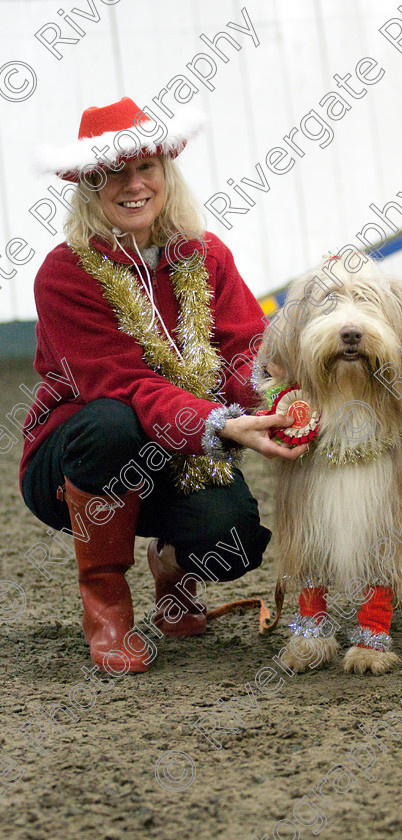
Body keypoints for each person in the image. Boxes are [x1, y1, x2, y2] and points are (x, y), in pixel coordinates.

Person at [20, 96, 305, 675]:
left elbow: (244, 349)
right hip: (78, 454)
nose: (133, 185)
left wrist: (279, 396)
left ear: (166, 174)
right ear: (88, 185)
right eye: (112, 173)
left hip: (179, 450)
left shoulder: (207, 252)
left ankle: (173, 573)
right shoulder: (64, 272)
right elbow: (122, 382)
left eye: (145, 168)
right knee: (111, 421)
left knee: (233, 540)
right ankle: (108, 610)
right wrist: (218, 423)